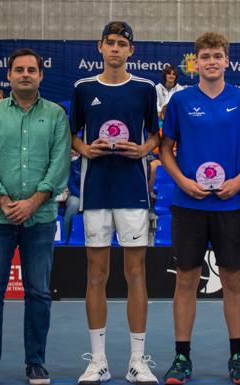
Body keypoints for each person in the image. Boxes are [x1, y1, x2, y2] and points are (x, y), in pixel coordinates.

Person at [159, 32, 240, 385]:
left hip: (231, 202)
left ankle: (237, 357)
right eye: (205, 56)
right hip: (189, 203)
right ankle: (181, 358)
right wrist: (183, 182)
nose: (211, 61)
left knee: (233, 280)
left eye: (217, 55)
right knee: (186, 280)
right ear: (196, 62)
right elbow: (165, 150)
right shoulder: (181, 101)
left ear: (227, 60)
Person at [0, 48, 71, 385]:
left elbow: (60, 164)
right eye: (19, 69)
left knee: (39, 292)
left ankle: (36, 363)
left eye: (31, 69)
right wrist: (2, 200)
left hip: (40, 218)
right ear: (9, 76)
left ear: (41, 75)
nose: (25, 74)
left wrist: (33, 201)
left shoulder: (56, 115)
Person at [69, 21, 160, 385]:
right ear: (100, 47)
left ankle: (138, 360)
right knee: (97, 274)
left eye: (123, 44)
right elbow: (71, 135)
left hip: (133, 192)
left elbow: (156, 135)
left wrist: (142, 149)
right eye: (111, 43)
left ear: (131, 50)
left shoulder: (144, 88)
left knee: (135, 274)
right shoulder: (83, 88)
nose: (116, 49)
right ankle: (100, 361)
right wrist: (83, 148)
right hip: (95, 192)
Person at [63, 150, 82, 243]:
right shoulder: (70, 163)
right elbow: (71, 184)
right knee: (74, 204)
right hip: (74, 194)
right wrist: (83, 197)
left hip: (92, 195)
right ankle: (66, 240)